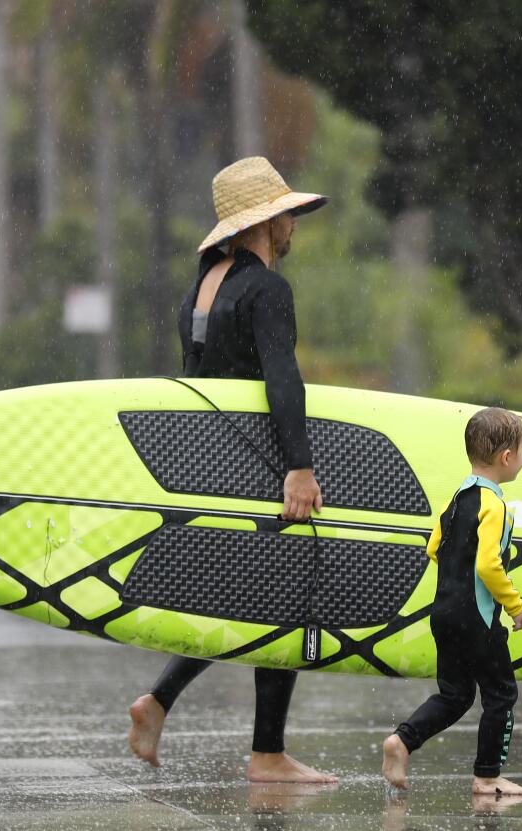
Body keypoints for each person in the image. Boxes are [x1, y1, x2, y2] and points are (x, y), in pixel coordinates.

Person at [128, 156, 334, 783]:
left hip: (210, 460)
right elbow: (282, 377)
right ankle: (267, 755)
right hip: (260, 460)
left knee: (240, 596)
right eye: (288, 216)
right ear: (268, 222)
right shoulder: (267, 288)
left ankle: (159, 701)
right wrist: (298, 467)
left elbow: (197, 382)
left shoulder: (202, 287)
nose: (293, 226)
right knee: (287, 594)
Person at [381, 407, 522, 796]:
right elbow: (487, 565)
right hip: (476, 617)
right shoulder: (494, 505)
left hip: (443, 612)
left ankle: (402, 741)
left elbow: (434, 547)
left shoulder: (458, 498)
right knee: (501, 694)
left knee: (456, 694)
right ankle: (487, 776)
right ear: (507, 457)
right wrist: (516, 606)